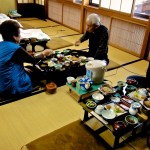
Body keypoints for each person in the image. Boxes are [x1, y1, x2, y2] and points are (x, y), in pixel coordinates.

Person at [0, 20, 53, 97]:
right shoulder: (15, 48)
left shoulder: (2, 44)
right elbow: (33, 60)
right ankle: (30, 89)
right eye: (19, 34)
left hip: (1, 81)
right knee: (36, 71)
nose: (20, 36)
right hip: (10, 87)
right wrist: (44, 53)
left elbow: (6, 62)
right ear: (14, 36)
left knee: (28, 68)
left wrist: (23, 68)